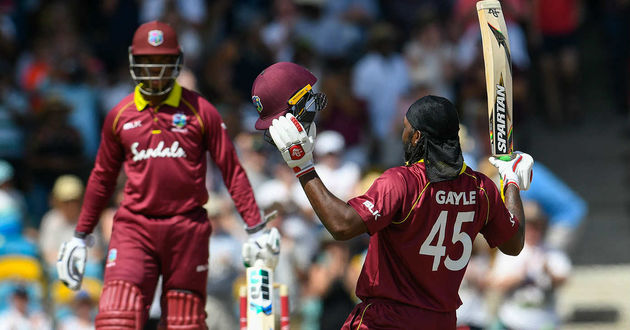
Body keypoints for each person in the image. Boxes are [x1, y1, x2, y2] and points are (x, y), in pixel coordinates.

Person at [251, 65, 534, 329]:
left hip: (385, 320)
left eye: (405, 129)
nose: (402, 135)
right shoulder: (481, 188)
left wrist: (303, 167)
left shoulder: (402, 182)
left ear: (416, 138)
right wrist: (510, 183)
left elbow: (342, 225)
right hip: (441, 322)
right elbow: (514, 243)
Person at [56, 21, 279, 329]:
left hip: (186, 229)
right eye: (148, 62)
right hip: (135, 227)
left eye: (162, 62)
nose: (155, 70)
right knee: (116, 318)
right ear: (135, 62)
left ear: (176, 62)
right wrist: (80, 236)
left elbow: (232, 171)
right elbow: (101, 178)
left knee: (183, 323)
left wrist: (255, 227)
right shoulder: (120, 114)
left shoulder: (202, 111)